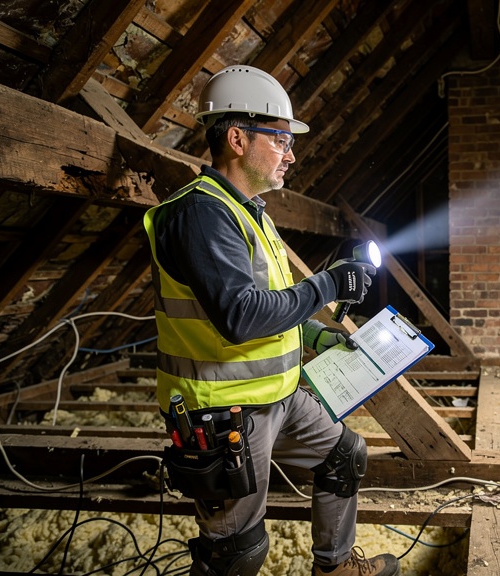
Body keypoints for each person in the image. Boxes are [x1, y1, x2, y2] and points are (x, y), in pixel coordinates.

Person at [142, 64, 398, 576]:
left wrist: (316, 332)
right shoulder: (201, 214)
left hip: (278, 394)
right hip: (224, 410)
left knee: (344, 455)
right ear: (237, 138)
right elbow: (240, 316)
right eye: (281, 139)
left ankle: (336, 566)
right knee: (237, 552)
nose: (291, 153)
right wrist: (327, 285)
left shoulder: (251, 211)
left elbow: (272, 301)